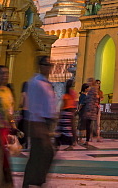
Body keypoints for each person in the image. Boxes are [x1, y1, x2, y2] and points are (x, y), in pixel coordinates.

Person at [23, 56, 58, 188]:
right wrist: (38, 125)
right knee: (39, 155)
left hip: (47, 123)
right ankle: (31, 182)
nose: (49, 68)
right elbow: (33, 105)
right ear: (40, 66)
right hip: (38, 122)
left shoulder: (47, 83)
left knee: (45, 154)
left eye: (50, 65)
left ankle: (36, 181)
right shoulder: (35, 83)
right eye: (46, 65)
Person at [57, 79, 76, 149]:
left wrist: (59, 113)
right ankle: (72, 143)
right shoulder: (73, 93)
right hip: (71, 112)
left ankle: (58, 144)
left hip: (65, 112)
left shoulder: (65, 95)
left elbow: (63, 104)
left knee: (62, 128)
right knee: (69, 128)